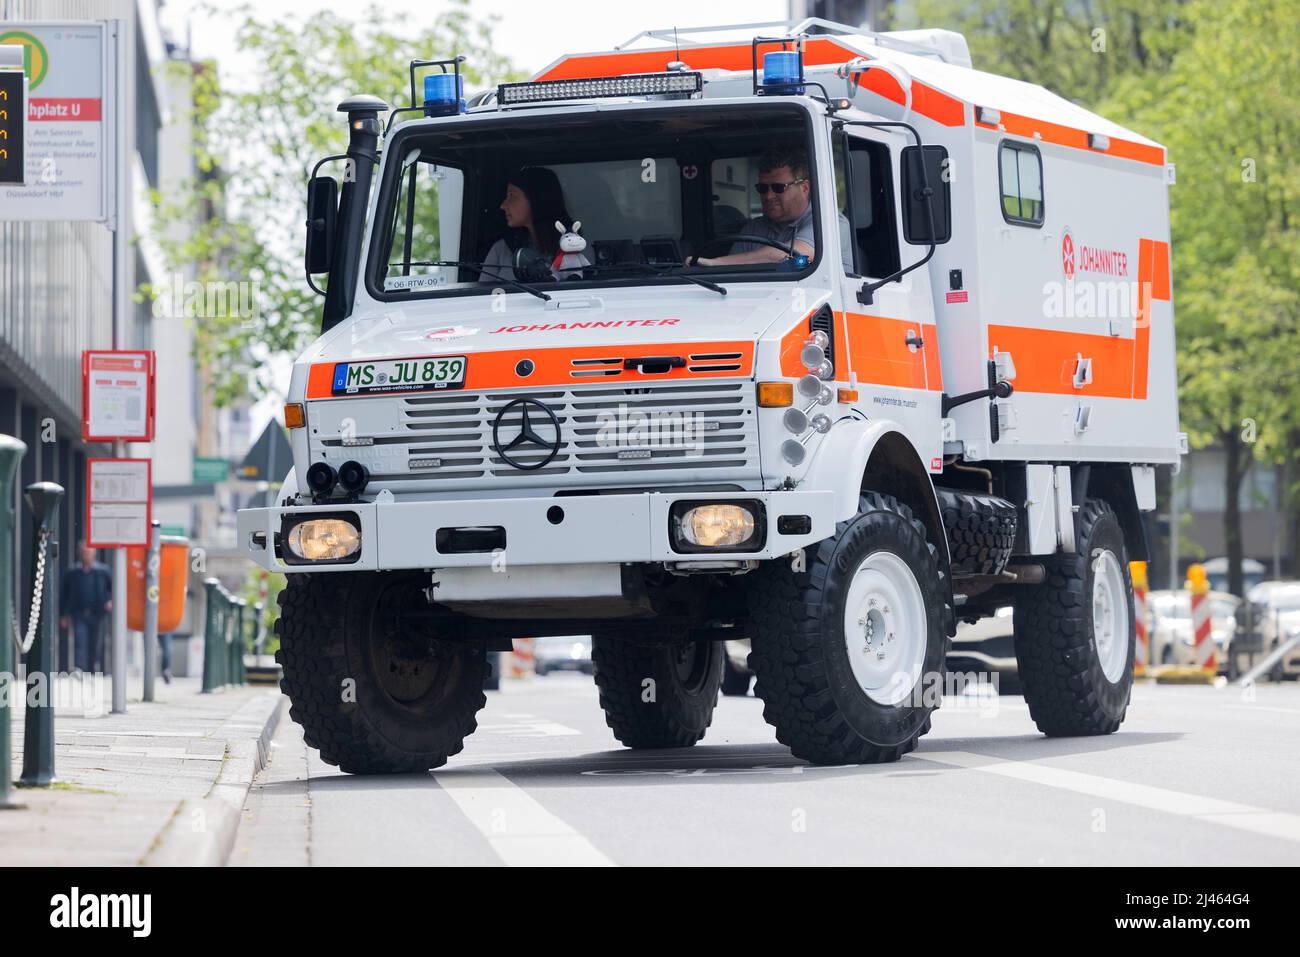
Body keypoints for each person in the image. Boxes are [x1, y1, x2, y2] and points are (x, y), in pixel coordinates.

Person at [692, 146, 852, 271]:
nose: (768, 196)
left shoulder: (831, 223)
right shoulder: (754, 229)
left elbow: (790, 256)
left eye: (778, 188)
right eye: (762, 188)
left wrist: (715, 263)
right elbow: (733, 271)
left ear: (804, 188)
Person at [481, 167, 577, 282]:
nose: (503, 205)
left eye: (512, 196)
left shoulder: (575, 245)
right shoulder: (502, 249)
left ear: (536, 199)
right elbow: (482, 295)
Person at [59, 541, 112, 674]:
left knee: (95, 642)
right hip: (79, 612)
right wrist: (63, 614)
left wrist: (110, 601)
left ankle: (92, 668)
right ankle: (80, 668)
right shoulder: (72, 572)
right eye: (84, 553)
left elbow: (112, 588)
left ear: (94, 554)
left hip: (98, 613)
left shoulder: (103, 571)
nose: (86, 556)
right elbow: (64, 594)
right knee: (80, 641)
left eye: (88, 553)